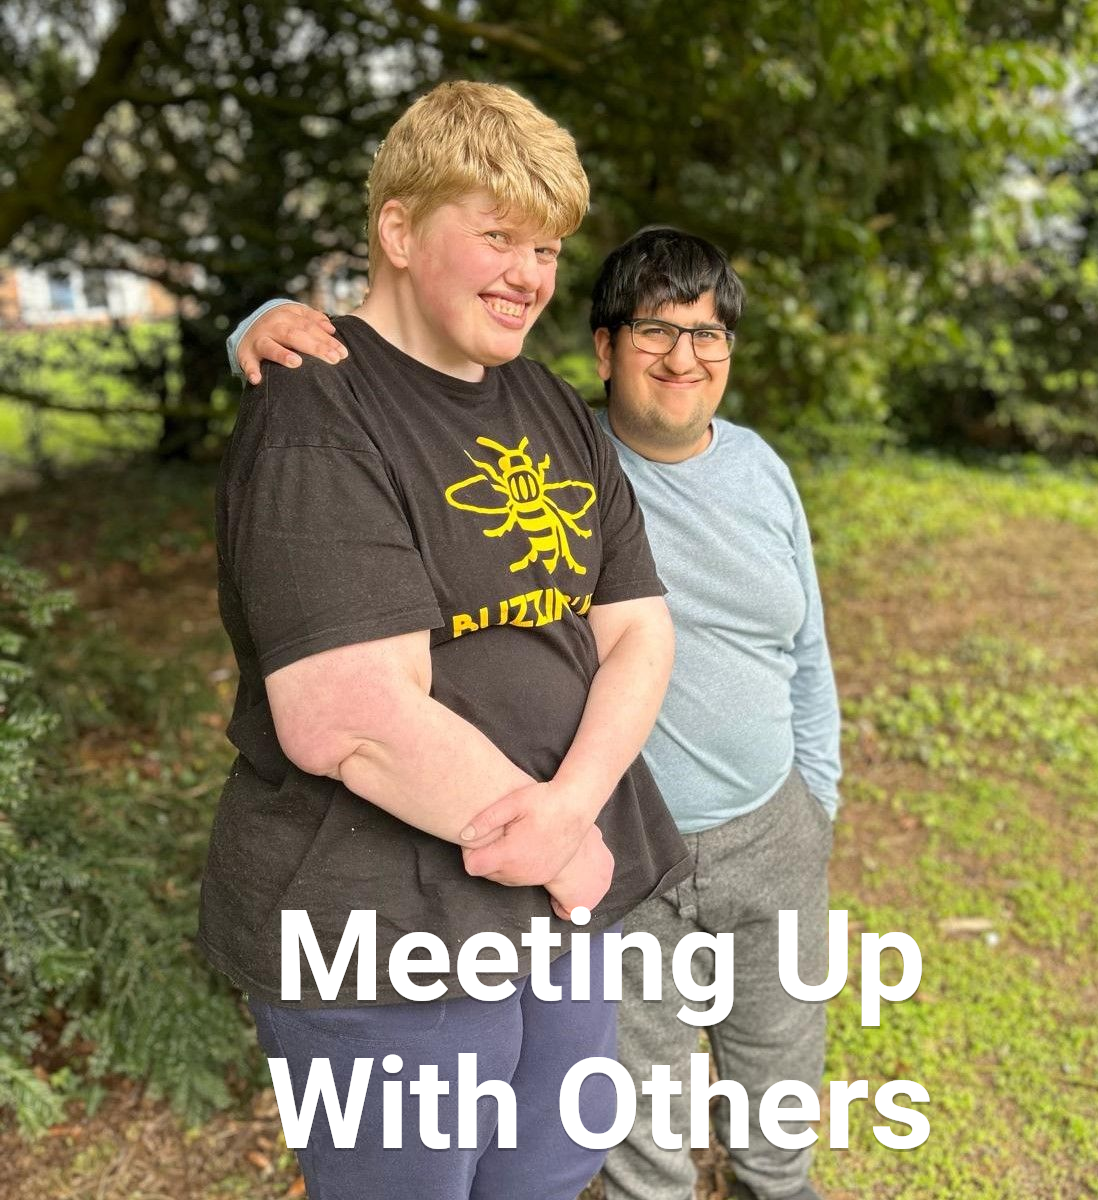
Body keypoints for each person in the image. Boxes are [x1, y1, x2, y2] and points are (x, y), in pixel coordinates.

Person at [232, 230, 842, 1200]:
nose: (684, 358)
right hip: (623, 843)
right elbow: (419, 392)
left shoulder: (762, 469)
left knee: (778, 1049)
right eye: (654, 331)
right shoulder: (558, 443)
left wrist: (818, 796)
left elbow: (808, 648)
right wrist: (260, 322)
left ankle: (779, 1183)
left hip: (768, 825)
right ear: (603, 351)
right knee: (630, 1100)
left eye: (709, 335)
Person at [200, 82, 692, 1200]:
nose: (532, 275)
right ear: (398, 230)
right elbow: (348, 719)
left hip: (561, 885)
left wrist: (574, 811)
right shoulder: (315, 410)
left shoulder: (553, 406)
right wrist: (567, 837)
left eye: (551, 248)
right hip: (381, 917)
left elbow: (639, 634)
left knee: (552, 1163)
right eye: (500, 237)